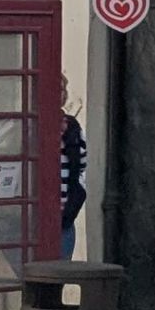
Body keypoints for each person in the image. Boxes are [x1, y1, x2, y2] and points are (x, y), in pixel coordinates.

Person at [60, 111, 87, 259]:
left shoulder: (74, 130)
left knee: (62, 268)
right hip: (38, 219)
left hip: (64, 219)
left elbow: (81, 169)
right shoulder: (35, 128)